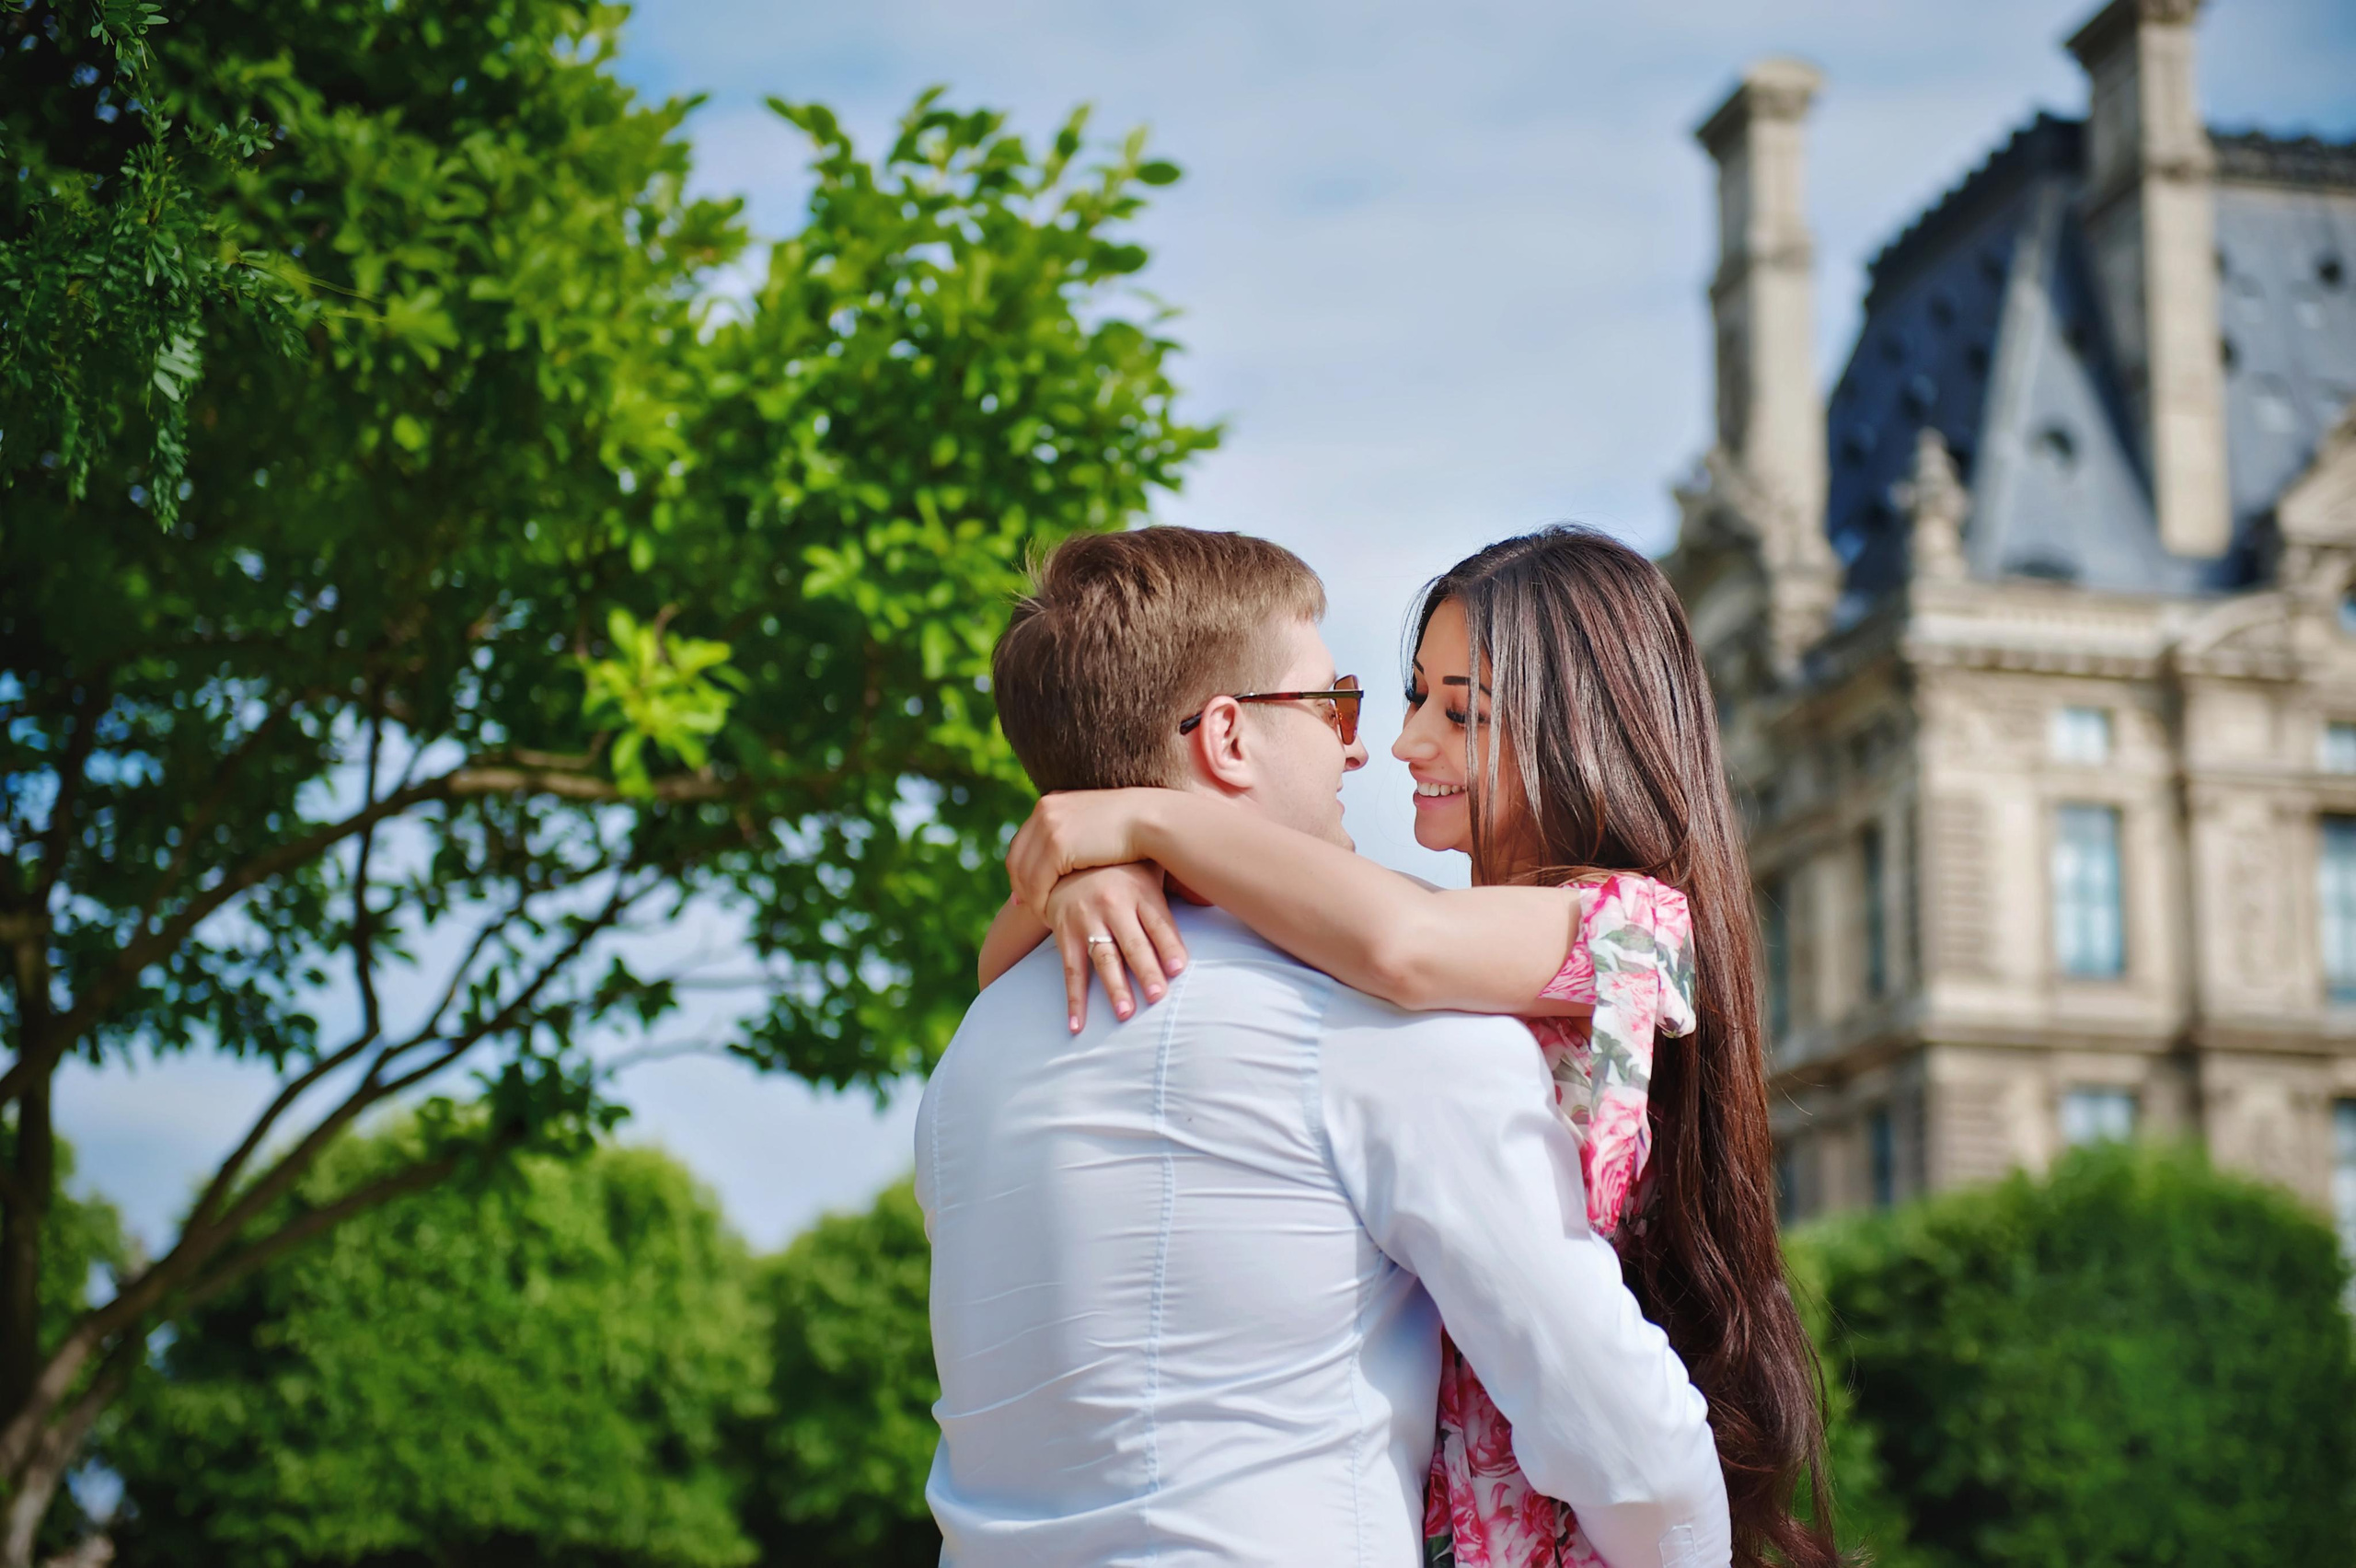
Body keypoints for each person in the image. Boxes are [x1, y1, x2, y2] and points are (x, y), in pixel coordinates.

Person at [986, 526, 1835, 1568]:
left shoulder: (1631, 923)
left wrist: (1144, 821)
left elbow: (1400, 943)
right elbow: (1012, 965)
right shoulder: (1447, 938)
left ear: (1579, 731)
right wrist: (1083, 876)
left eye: (1459, 713)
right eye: (1412, 698)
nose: (1399, 744)